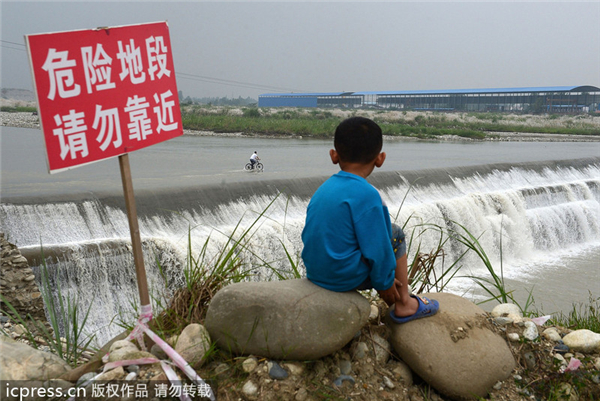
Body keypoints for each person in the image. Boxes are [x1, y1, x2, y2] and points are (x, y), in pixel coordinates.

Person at [301, 117, 439, 323]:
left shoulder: (324, 189)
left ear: (334, 155)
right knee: (395, 234)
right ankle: (404, 303)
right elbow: (379, 248)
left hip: (316, 272)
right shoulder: (369, 195)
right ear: (380, 158)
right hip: (343, 277)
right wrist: (385, 284)